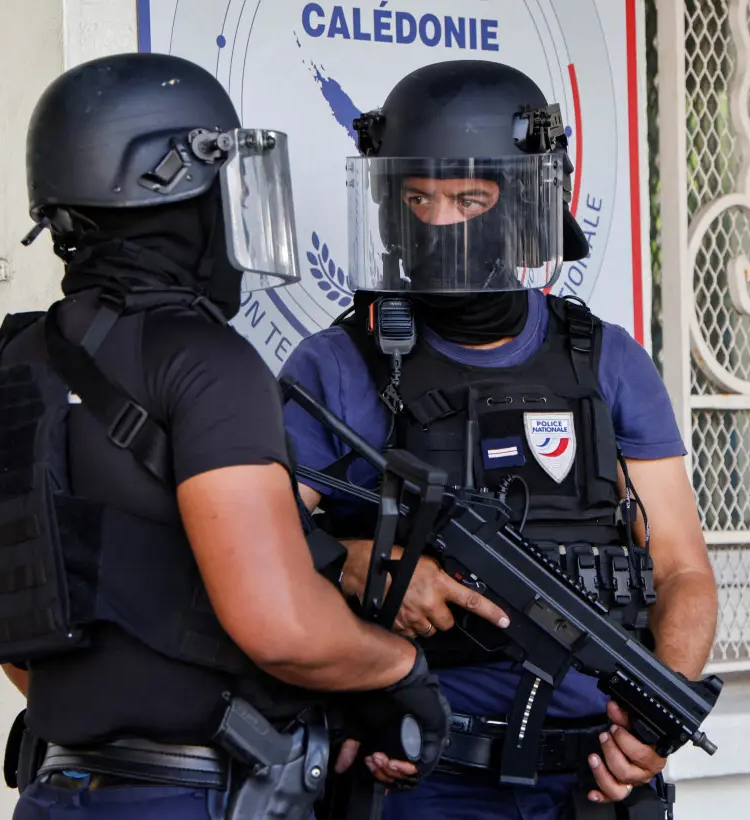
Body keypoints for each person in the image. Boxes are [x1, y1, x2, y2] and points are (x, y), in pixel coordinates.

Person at [0, 53, 450, 820]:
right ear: (181, 188)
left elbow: (12, 626)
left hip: (57, 790)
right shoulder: (205, 363)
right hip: (191, 796)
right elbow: (278, 627)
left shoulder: (16, 364)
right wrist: (398, 669)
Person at [280, 60, 719, 819]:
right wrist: (358, 565)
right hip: (418, 775)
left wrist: (654, 722)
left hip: (590, 777)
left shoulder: (606, 360)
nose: (442, 223)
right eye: (418, 198)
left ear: (520, 204)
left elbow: (682, 568)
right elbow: (254, 547)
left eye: (469, 198)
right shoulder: (340, 362)